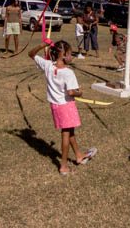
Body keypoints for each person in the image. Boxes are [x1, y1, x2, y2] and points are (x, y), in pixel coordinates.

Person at [28, 40, 97, 175]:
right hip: (66, 106)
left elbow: (31, 54)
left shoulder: (48, 65)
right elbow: (71, 92)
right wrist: (80, 92)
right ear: (63, 55)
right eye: (70, 54)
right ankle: (63, 165)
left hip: (55, 106)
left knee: (69, 130)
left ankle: (78, 155)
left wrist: (42, 45)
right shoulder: (68, 73)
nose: (72, 57)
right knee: (65, 134)